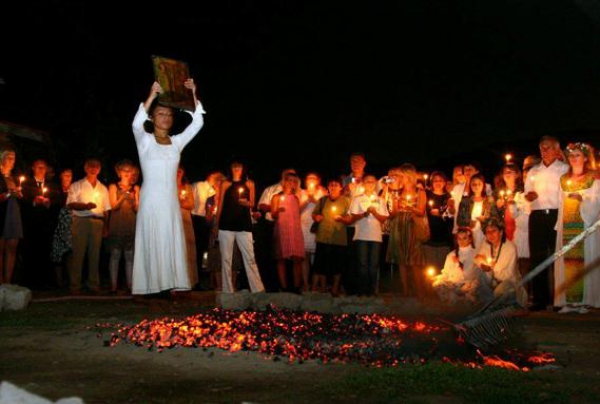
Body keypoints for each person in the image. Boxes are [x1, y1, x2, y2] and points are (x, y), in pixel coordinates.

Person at [131, 79, 205, 295]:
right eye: (161, 114)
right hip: (150, 200)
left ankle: (170, 285)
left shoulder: (177, 142)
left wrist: (193, 94)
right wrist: (152, 94)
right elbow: (136, 124)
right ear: (152, 118)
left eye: (169, 114)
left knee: (169, 238)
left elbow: (198, 124)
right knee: (152, 238)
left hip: (170, 200)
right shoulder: (144, 140)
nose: (166, 117)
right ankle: (149, 286)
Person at [524, 136, 569, 310]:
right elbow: (528, 192)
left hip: (557, 215)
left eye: (548, 147)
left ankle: (559, 299)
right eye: (541, 148)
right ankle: (539, 299)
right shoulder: (533, 172)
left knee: (559, 258)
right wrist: (529, 196)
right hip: (537, 216)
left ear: (557, 149)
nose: (544, 150)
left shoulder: (565, 169)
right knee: (538, 258)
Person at [554, 143, 600, 313]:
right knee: (567, 261)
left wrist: (582, 199)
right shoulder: (563, 179)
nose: (573, 158)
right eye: (571, 155)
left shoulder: (593, 178)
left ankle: (584, 301)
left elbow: (597, 200)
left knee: (584, 259)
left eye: (578, 155)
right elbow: (560, 202)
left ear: (586, 158)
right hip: (567, 224)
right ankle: (569, 301)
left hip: (584, 222)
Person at [215, 161, 265, 293]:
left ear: (243, 169)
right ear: (230, 169)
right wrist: (216, 225)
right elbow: (220, 205)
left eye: (239, 166)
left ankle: (258, 290)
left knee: (250, 257)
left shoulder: (249, 184)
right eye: (234, 166)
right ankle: (228, 291)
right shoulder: (225, 184)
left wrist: (245, 203)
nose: (236, 168)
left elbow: (252, 203)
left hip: (243, 224)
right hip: (226, 224)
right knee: (226, 258)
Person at [66, 158, 111, 294]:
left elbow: (106, 209)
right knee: (78, 253)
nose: (93, 169)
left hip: (97, 222)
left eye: (96, 166)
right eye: (91, 166)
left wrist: (106, 226)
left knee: (95, 254)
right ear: (85, 168)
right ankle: (75, 285)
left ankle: (93, 284)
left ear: (99, 169)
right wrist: (85, 206)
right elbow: (70, 204)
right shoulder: (76, 185)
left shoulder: (103, 188)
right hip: (81, 220)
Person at [20, 159, 59, 288]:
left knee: (45, 252)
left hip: (46, 225)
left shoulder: (52, 185)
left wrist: (49, 204)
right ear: (33, 168)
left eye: (43, 167)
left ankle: (45, 282)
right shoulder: (26, 185)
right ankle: (29, 281)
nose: (41, 169)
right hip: (31, 225)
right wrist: (34, 202)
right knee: (30, 251)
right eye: (38, 167)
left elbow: (57, 202)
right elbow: (22, 202)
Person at [349, 174, 389, 296]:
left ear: (375, 184)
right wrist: (365, 213)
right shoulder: (357, 199)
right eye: (367, 181)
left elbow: (383, 219)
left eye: (372, 182)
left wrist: (374, 212)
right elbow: (353, 216)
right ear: (363, 184)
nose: (370, 184)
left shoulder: (380, 200)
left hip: (375, 236)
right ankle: (362, 290)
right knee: (362, 264)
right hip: (361, 235)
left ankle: (372, 290)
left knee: (373, 264)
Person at [474, 217, 527, 307]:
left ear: (501, 232)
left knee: (500, 292)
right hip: (494, 282)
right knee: (480, 272)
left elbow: (508, 276)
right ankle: (490, 304)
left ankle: (493, 304)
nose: (491, 235)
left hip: (509, 283)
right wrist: (482, 263)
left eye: (494, 231)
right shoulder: (486, 243)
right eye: (488, 232)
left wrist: (491, 268)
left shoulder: (510, 248)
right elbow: (477, 258)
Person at [107, 160, 139, 293]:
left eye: (129, 170)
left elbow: (138, 208)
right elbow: (113, 206)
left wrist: (132, 200)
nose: (126, 173)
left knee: (130, 256)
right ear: (119, 172)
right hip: (117, 224)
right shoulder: (113, 187)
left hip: (130, 224)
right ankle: (113, 285)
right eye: (124, 170)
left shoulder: (136, 188)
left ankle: (130, 285)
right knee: (115, 254)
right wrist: (123, 198)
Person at [271, 172, 305, 292]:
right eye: (289, 180)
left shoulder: (296, 198)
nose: (291, 183)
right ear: (284, 182)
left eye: (294, 181)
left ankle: (296, 286)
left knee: (297, 258)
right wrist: (278, 210)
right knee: (281, 258)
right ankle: (283, 286)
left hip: (295, 230)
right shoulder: (277, 197)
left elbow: (296, 214)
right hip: (282, 228)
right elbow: (273, 214)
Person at [432, 227, 479, 304]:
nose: (462, 241)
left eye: (464, 238)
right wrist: (438, 278)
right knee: (437, 284)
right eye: (459, 239)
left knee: (468, 294)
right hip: (453, 284)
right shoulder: (451, 255)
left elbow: (471, 275)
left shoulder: (475, 254)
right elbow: (446, 273)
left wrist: (459, 263)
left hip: (468, 284)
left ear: (470, 239)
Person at [0, 148, 23, 284]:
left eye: (13, 158)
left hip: (14, 212)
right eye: (9, 157)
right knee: (1, 247)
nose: (11, 160)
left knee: (12, 246)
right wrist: (9, 194)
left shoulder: (14, 178)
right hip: (2, 212)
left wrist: (19, 195)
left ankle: (7, 281)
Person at [177, 165, 198, 289]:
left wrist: (180, 201)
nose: (178, 173)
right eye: (176, 170)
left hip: (185, 220)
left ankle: (188, 281)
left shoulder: (188, 187)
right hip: (173, 220)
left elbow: (191, 204)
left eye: (180, 171)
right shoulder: (168, 186)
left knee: (186, 250)